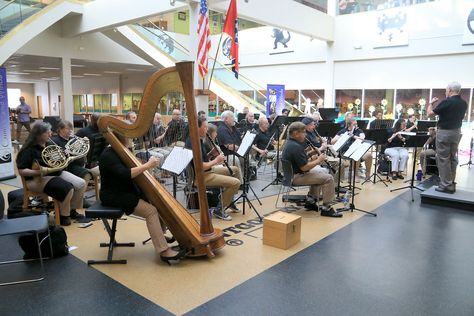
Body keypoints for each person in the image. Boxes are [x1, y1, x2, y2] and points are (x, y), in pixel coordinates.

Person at [99, 132, 185, 264]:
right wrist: (147, 165)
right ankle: (163, 250)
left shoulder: (120, 151)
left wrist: (144, 164)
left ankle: (159, 235)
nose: (131, 139)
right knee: (151, 211)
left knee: (156, 201)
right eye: (128, 136)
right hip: (114, 195)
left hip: (125, 190)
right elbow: (124, 174)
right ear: (121, 137)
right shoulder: (108, 155)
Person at [16, 122, 87, 226]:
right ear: (38, 134)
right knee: (67, 188)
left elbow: (59, 161)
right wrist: (39, 171)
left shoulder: (50, 144)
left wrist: (66, 156)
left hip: (55, 173)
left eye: (50, 131)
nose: (50, 134)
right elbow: (21, 170)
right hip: (36, 179)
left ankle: (71, 210)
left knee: (81, 183)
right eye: (47, 132)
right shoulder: (28, 150)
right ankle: (64, 216)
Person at [185, 117, 241, 221]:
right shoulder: (194, 143)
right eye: (205, 127)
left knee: (235, 170)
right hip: (202, 176)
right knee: (236, 183)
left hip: (207, 171)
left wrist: (211, 154)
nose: (207, 129)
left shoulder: (198, 139)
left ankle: (229, 200)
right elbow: (200, 166)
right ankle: (219, 209)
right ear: (197, 127)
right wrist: (217, 160)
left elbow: (201, 158)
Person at [282, 122, 342, 218]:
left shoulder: (291, 143)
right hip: (295, 177)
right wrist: (319, 160)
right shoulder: (296, 147)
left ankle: (311, 201)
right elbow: (304, 167)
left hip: (291, 175)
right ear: (296, 133)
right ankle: (327, 208)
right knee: (329, 178)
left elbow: (299, 160)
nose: (305, 135)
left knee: (320, 172)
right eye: (304, 132)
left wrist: (310, 154)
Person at [427, 81, 468, 193]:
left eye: (446, 90)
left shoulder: (447, 102)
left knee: (443, 158)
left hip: (445, 132)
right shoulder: (464, 103)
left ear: (450, 90)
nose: (445, 92)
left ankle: (446, 185)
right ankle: (451, 182)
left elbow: (429, 114)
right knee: (452, 158)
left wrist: (431, 103)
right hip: (456, 132)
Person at [217, 110, 243, 181]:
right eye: (231, 117)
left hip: (235, 151)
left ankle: (243, 179)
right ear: (225, 119)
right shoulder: (222, 129)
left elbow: (241, 137)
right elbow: (230, 146)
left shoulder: (233, 127)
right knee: (236, 159)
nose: (233, 118)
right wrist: (242, 148)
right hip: (227, 154)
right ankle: (239, 182)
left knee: (246, 158)